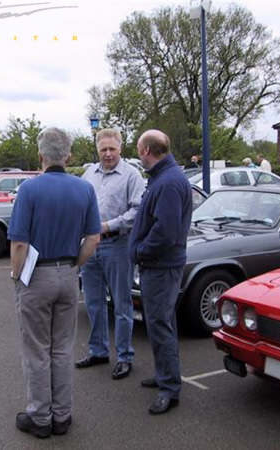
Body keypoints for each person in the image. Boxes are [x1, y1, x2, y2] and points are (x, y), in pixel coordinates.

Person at [8, 127, 101, 438]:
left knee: (36, 350)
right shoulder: (85, 189)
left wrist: (16, 275)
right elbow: (93, 238)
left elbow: (19, 244)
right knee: (62, 349)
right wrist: (74, 265)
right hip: (67, 275)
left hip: (36, 276)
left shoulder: (30, 190)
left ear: (41, 155)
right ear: (68, 155)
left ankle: (40, 416)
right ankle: (62, 414)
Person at [129, 129, 192, 415]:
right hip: (159, 265)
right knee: (160, 323)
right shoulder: (164, 178)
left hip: (161, 266)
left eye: (138, 149)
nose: (138, 154)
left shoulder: (167, 182)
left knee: (160, 325)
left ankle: (169, 388)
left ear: (146, 151)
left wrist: (141, 251)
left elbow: (165, 232)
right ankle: (166, 376)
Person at [76, 128, 145, 380]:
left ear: (120, 148)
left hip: (117, 245)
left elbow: (137, 211)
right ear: (97, 149)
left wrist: (108, 225)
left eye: (111, 149)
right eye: (103, 149)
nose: (107, 154)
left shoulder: (131, 176)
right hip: (90, 245)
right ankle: (98, 350)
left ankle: (125, 356)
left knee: (122, 304)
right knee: (94, 302)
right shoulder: (88, 175)